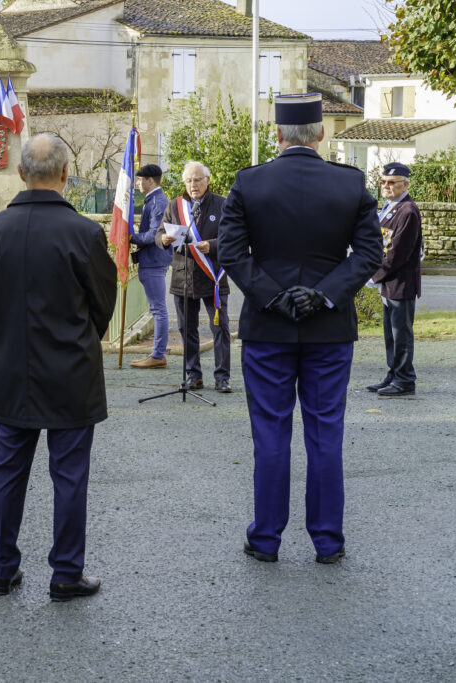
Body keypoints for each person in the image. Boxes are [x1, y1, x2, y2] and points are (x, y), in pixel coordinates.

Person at [217, 93, 382, 565]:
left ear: (278, 134)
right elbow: (369, 255)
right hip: (328, 329)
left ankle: (266, 539)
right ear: (322, 134)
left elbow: (232, 255)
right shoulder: (350, 185)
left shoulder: (250, 184)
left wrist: (272, 296)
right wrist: (324, 294)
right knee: (325, 434)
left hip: (268, 329)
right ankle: (328, 541)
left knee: (270, 435)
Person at [0, 133, 116, 601]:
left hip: (12, 365)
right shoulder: (84, 232)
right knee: (70, 475)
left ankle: (2, 567)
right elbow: (103, 303)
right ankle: (65, 572)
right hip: (71, 368)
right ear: (64, 176)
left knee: (7, 469)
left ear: (21, 174)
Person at [155, 161, 232, 392]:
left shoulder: (222, 204)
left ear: (207, 180)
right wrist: (164, 240)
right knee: (186, 328)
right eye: (188, 180)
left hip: (213, 276)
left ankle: (222, 377)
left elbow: (233, 236)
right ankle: (193, 375)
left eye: (197, 179)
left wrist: (213, 245)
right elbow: (160, 233)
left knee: (220, 328)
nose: (193, 184)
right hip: (183, 277)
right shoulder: (174, 205)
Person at [367, 162, 422, 397]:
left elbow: (398, 252)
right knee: (391, 334)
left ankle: (405, 379)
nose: (387, 186)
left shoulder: (407, 210)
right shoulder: (391, 207)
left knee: (401, 334)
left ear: (405, 185)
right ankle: (394, 374)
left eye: (392, 182)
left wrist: (374, 276)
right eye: (383, 182)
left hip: (400, 282)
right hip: (389, 282)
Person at [128, 164, 171, 369]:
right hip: (152, 260)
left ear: (150, 180)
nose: (137, 183)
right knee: (157, 309)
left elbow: (154, 235)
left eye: (139, 179)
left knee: (158, 309)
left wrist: (130, 238)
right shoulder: (153, 200)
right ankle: (156, 353)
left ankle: (158, 355)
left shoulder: (158, 202)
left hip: (154, 260)